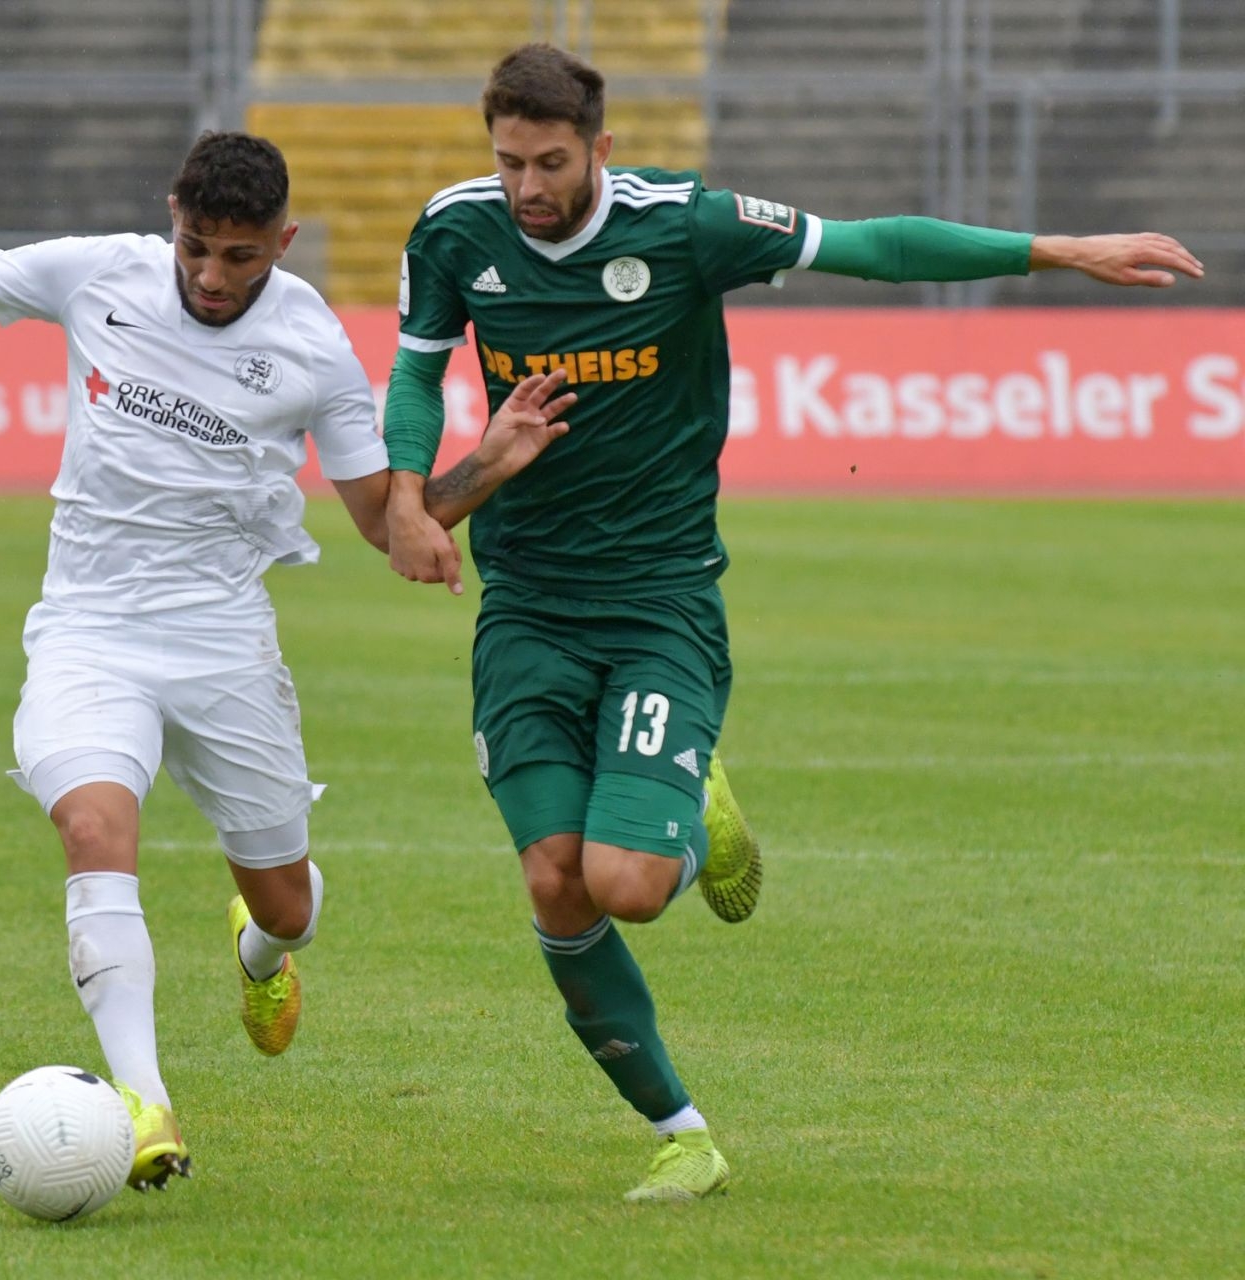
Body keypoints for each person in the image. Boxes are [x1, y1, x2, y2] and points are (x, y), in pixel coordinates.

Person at [0, 130, 571, 1190]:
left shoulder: (312, 343)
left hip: (223, 641)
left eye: (240, 256)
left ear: (282, 243)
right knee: (94, 827)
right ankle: (144, 1104)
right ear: (172, 217)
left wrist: (484, 465)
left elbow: (383, 519)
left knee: (288, 906)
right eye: (195, 247)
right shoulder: (100, 273)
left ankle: (260, 950)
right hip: (88, 628)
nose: (211, 275)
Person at [381, 43, 1203, 1203]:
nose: (527, 186)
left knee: (625, 882)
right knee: (556, 882)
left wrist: (1058, 248)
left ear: (601, 149)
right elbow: (416, 372)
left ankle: (695, 803)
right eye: (510, 161)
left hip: (660, 600)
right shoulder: (455, 231)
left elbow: (874, 245)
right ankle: (683, 1132)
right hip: (526, 605)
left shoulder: (685, 226)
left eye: (550, 162)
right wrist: (411, 496)